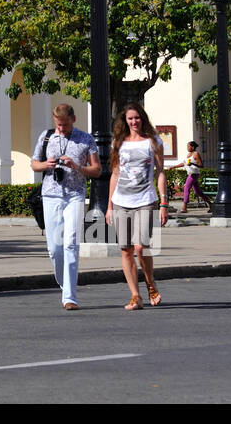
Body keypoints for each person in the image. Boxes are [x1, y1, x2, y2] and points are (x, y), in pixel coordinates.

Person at [31, 103, 100, 310]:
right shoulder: (46, 136)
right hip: (51, 194)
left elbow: (96, 170)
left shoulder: (86, 139)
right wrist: (46, 165)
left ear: (73, 120)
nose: (61, 129)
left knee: (70, 243)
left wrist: (76, 166)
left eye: (65, 125)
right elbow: (34, 163)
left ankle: (70, 296)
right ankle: (64, 283)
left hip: (75, 195)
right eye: (59, 125)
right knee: (54, 248)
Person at [107, 102, 167, 310]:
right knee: (126, 249)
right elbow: (115, 174)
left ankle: (151, 283)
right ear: (125, 121)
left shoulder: (153, 142)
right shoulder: (119, 142)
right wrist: (109, 206)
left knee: (141, 247)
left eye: (137, 118)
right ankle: (135, 296)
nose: (134, 122)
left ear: (143, 118)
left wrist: (164, 203)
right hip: (121, 201)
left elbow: (160, 172)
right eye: (130, 118)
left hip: (145, 199)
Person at [166, 141, 210, 211]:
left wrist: (192, 163)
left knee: (186, 188)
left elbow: (201, 165)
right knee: (197, 191)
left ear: (192, 147)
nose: (187, 148)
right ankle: (210, 204)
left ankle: (184, 207)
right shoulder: (188, 154)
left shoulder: (196, 154)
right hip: (190, 174)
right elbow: (183, 164)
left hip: (194, 174)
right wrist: (173, 167)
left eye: (188, 146)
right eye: (187, 146)